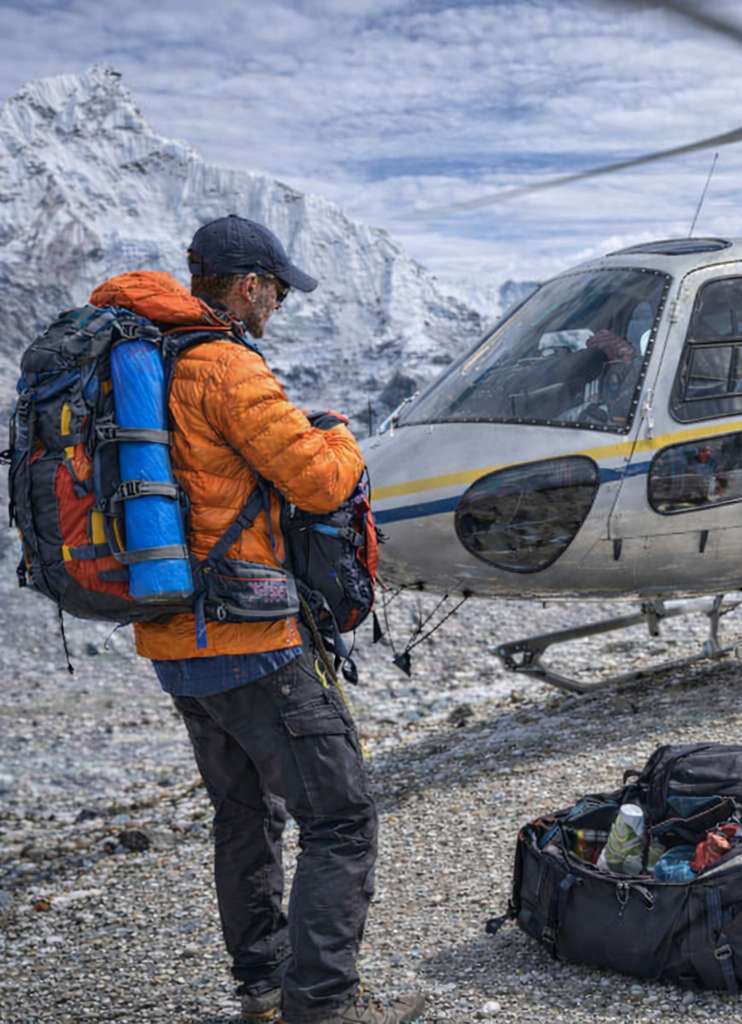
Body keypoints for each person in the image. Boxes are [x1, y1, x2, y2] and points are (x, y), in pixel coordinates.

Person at [86, 215, 425, 1024]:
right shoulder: (225, 368)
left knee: (244, 816)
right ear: (248, 286)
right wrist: (341, 437)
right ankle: (322, 1008)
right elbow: (315, 483)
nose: (276, 306)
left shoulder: (141, 366)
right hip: (253, 642)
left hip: (173, 640)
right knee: (340, 819)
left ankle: (265, 988)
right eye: (274, 291)